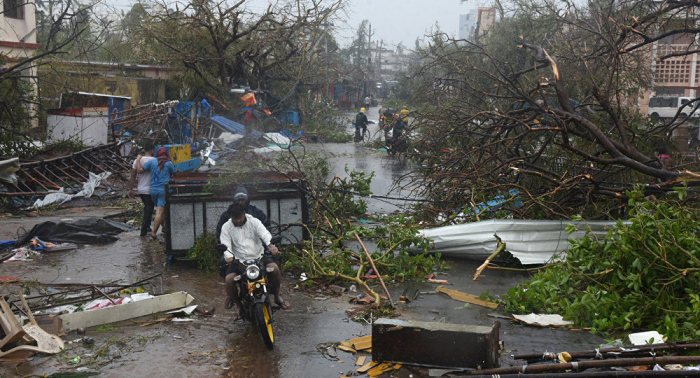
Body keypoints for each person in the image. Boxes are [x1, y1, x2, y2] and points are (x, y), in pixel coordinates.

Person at [221, 203, 290, 319]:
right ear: (231, 216)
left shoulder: (254, 222)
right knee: (228, 280)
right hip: (239, 260)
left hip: (259, 256)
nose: (238, 220)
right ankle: (238, 306)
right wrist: (228, 256)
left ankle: (277, 297)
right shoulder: (226, 227)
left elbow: (265, 234)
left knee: (275, 269)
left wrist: (271, 245)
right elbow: (225, 244)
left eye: (240, 217)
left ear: (244, 213)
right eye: (235, 218)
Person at [216, 185, 273, 278]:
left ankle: (275, 290)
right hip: (237, 254)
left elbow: (265, 231)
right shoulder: (226, 220)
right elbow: (222, 237)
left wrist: (268, 244)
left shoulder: (255, 216)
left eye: (243, 200)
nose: (241, 202)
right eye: (238, 200)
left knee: (274, 267)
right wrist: (228, 253)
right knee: (227, 274)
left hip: (258, 252)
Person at [137, 147, 176, 241]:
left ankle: (166, 229)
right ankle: (153, 234)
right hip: (163, 190)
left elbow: (140, 170)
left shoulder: (152, 162)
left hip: (153, 190)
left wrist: (138, 159)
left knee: (160, 212)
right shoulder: (169, 163)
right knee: (159, 212)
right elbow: (174, 173)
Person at [128, 143, 156, 237]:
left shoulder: (137, 161)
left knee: (148, 208)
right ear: (152, 150)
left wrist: (130, 189)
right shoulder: (155, 161)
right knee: (149, 209)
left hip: (141, 189)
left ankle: (147, 227)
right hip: (151, 189)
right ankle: (143, 231)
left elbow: (133, 175)